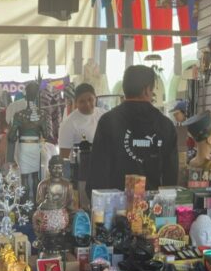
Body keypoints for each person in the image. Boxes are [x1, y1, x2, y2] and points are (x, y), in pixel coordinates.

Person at [87, 65, 178, 193]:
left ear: (125, 89)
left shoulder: (107, 122)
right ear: (147, 90)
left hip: (114, 208)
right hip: (152, 208)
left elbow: (97, 174)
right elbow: (171, 179)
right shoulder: (165, 125)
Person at [58, 83, 105, 160]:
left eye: (90, 99)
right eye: (82, 101)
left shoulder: (104, 115)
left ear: (95, 98)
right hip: (81, 168)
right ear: (76, 102)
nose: (87, 104)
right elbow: (64, 157)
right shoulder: (68, 124)